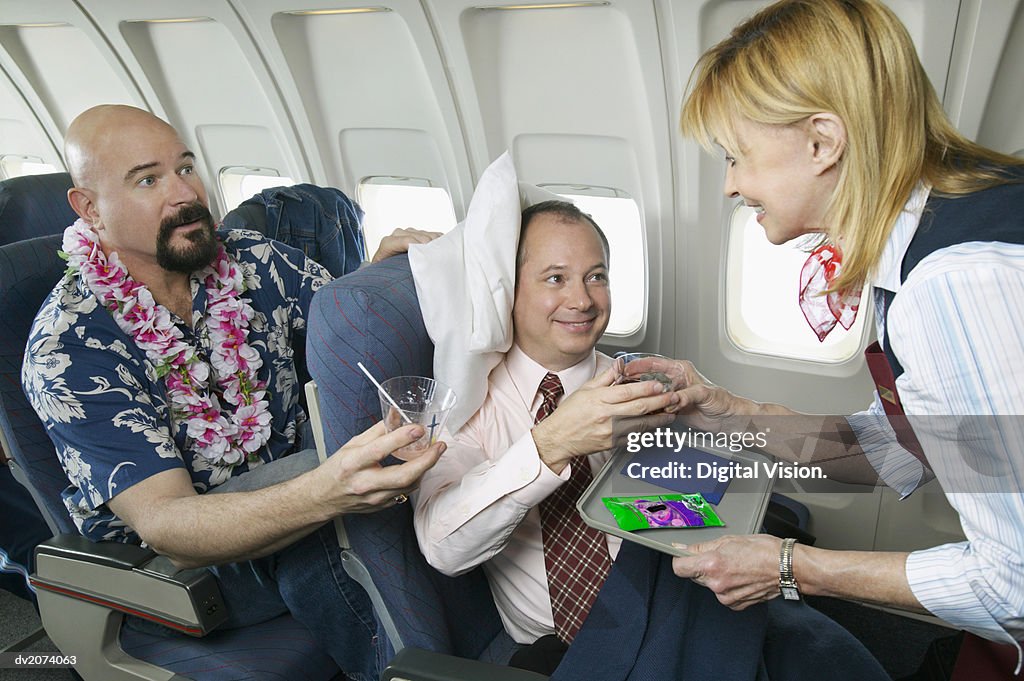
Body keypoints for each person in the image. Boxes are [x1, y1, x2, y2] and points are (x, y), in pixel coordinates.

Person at [21, 104, 441, 681]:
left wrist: (376, 277)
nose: (185, 194)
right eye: (148, 179)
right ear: (90, 209)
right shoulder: (69, 350)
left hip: (299, 479)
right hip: (183, 571)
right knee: (331, 530)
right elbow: (168, 526)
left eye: (186, 168)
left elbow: (339, 327)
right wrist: (327, 489)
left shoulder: (250, 259)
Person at [665, 0, 1024, 673]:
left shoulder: (954, 285)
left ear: (823, 142)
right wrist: (728, 413)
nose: (729, 185)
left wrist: (790, 567)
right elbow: (904, 448)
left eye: (737, 156)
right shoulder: (940, 227)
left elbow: (1015, 586)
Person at [412, 200, 889, 679]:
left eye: (596, 276)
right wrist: (550, 443)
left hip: (676, 581)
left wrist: (713, 448)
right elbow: (443, 550)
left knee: (827, 659)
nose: (582, 300)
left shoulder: (642, 384)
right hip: (582, 636)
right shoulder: (465, 404)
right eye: (555, 278)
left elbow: (677, 508)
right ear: (510, 290)